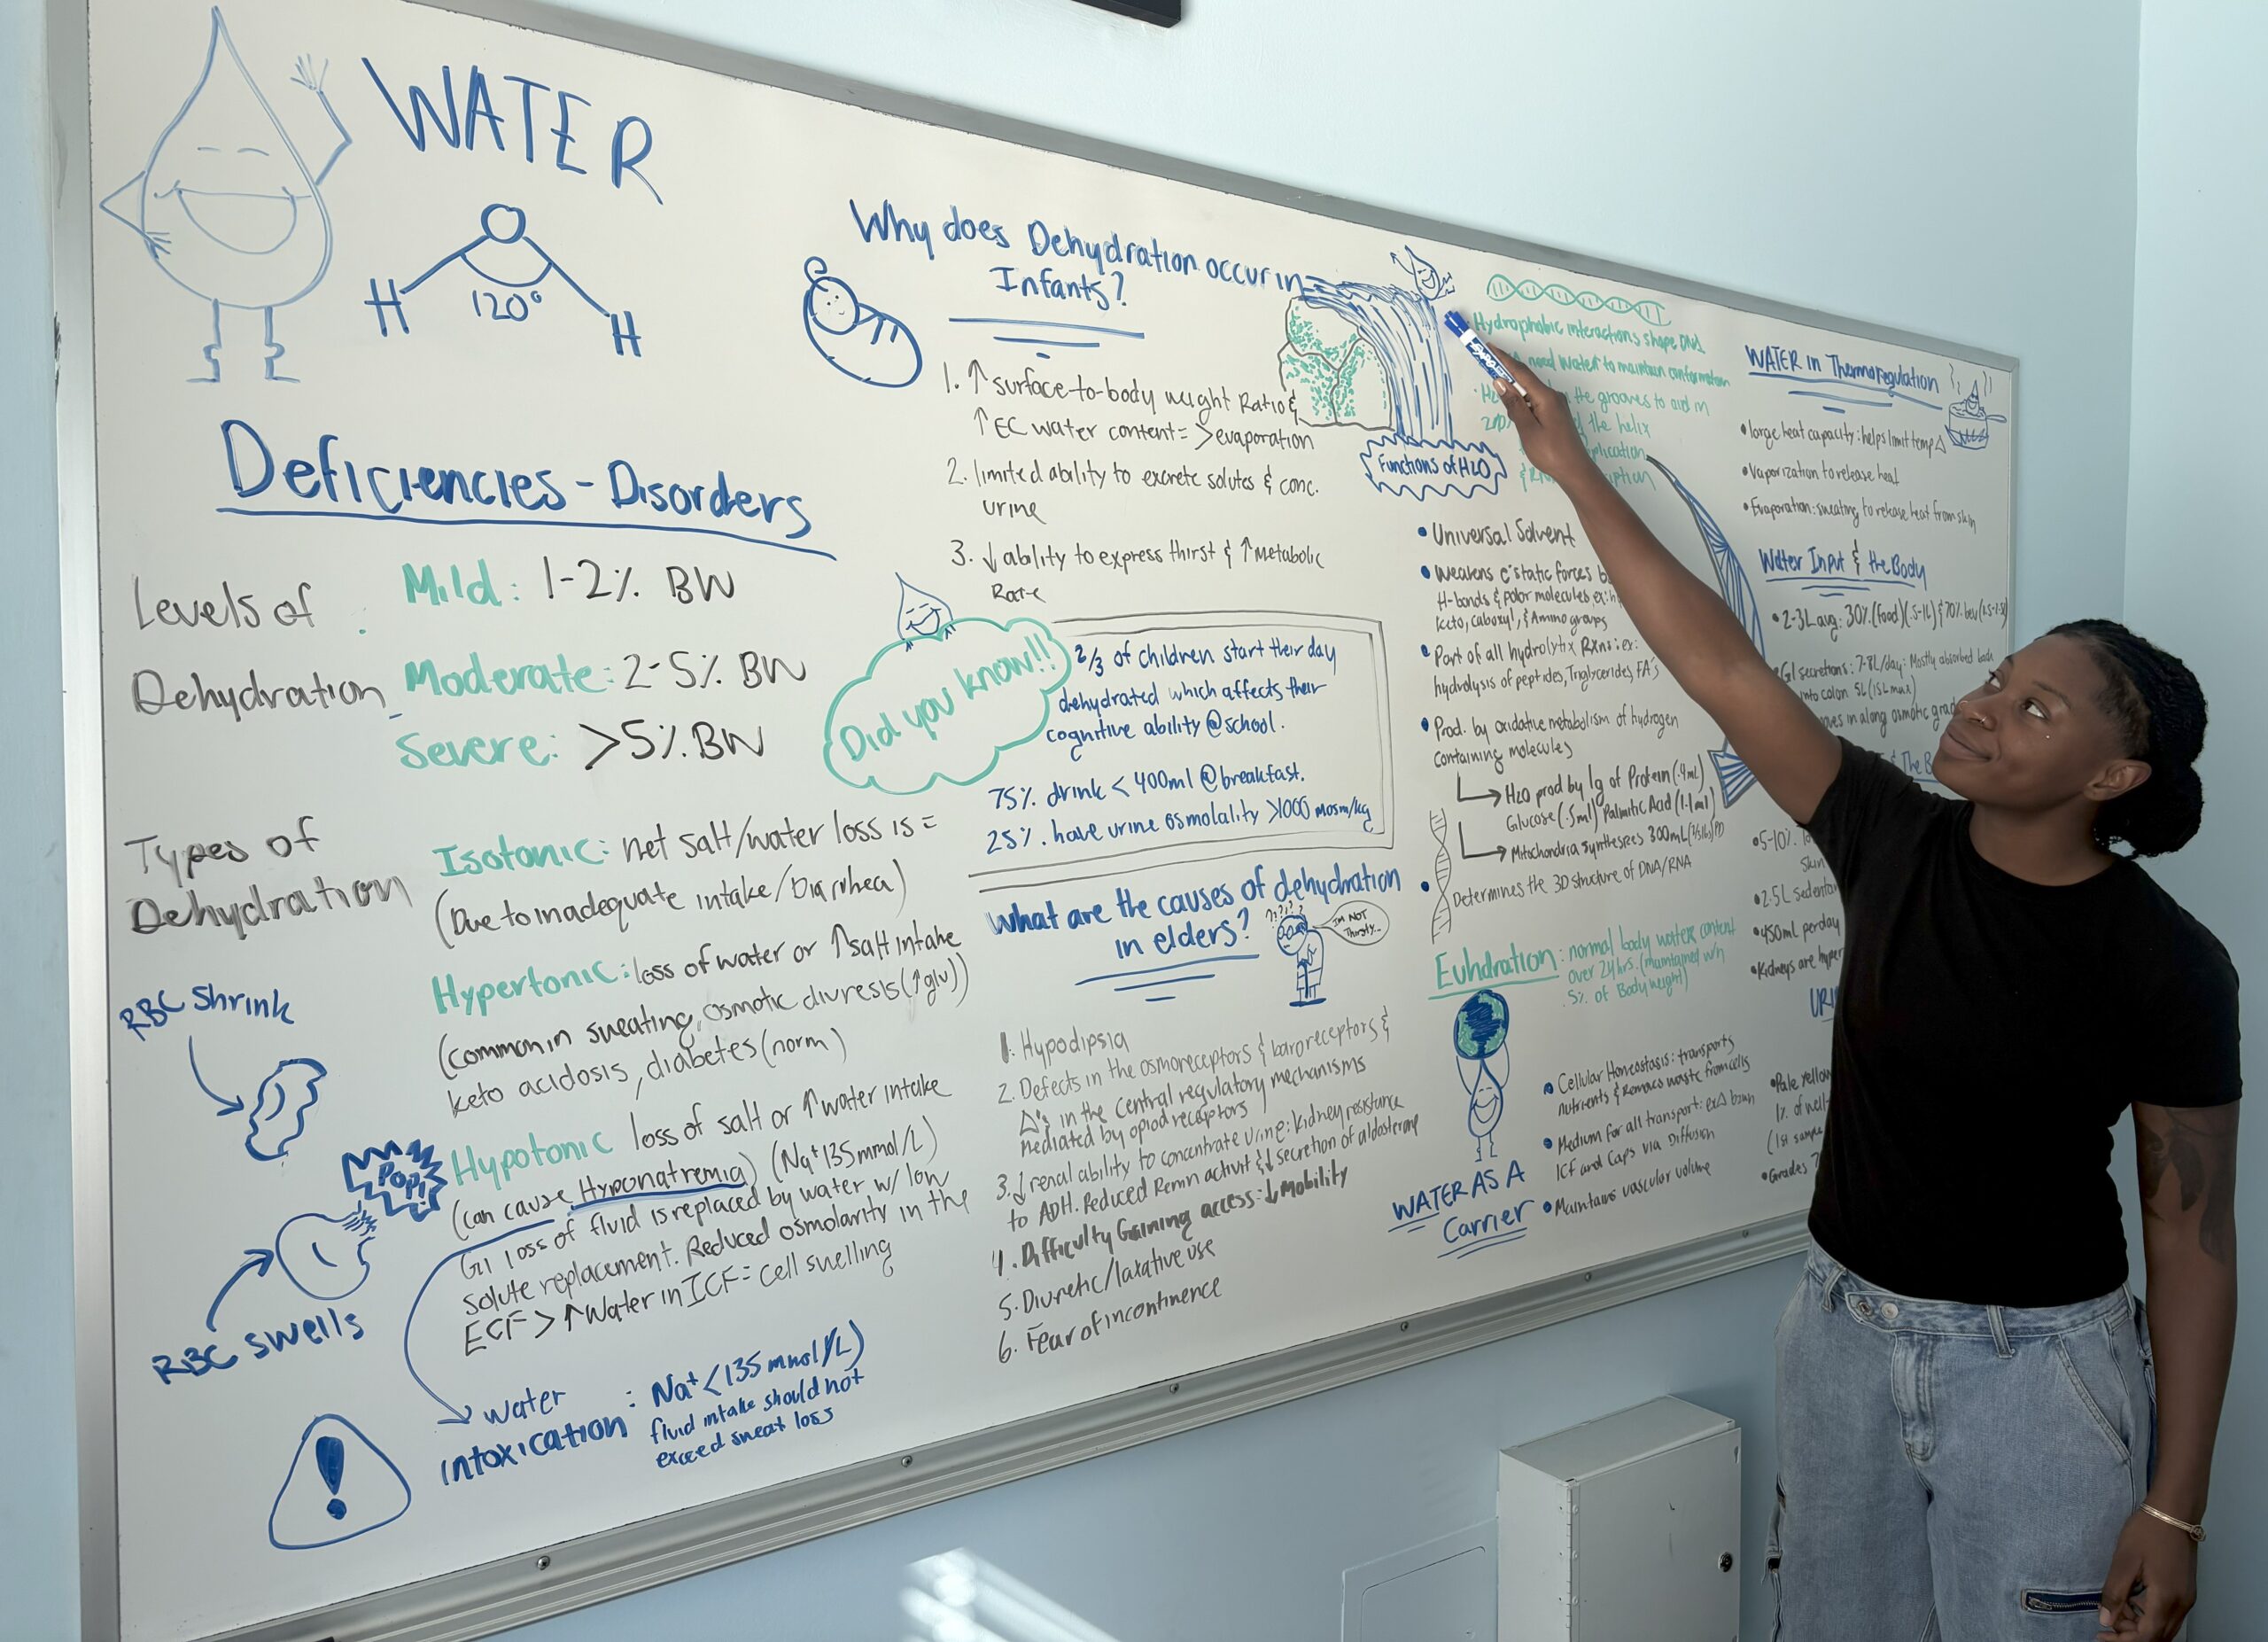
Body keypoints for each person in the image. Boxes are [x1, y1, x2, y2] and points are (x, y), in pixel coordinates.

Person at [1482, 342, 2241, 1642]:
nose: (1985, 706)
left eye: (2038, 706)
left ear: (2112, 778)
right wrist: (1573, 469)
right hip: (1838, 1338)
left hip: (2042, 1375)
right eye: (2001, 676)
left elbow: (2195, 1240)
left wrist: (2174, 1510)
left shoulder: (2168, 961)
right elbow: (1723, 670)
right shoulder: (1888, 834)